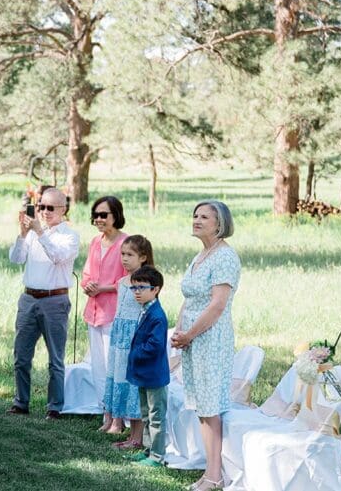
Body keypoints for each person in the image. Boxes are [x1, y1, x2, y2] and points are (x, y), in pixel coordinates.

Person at [170, 200, 241, 491]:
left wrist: (191, 334)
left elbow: (217, 305)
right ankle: (208, 471)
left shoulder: (225, 257)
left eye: (204, 217)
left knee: (210, 407)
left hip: (210, 338)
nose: (196, 220)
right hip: (192, 337)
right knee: (200, 405)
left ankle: (215, 475)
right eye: (195, 215)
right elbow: (190, 298)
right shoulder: (200, 255)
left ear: (219, 224)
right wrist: (179, 330)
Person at [7, 187, 80, 419]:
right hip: (29, 297)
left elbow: (58, 256)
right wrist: (22, 233)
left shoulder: (69, 236)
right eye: (41, 207)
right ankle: (21, 402)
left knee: (55, 358)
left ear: (63, 209)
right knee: (21, 355)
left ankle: (55, 406)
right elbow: (16, 258)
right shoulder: (31, 233)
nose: (45, 212)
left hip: (54, 299)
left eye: (50, 208)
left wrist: (39, 231)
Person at [80, 195, 127, 431]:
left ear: (115, 215)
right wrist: (88, 286)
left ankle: (118, 419)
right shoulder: (95, 243)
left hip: (115, 313)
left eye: (103, 215)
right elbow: (87, 274)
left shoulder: (127, 243)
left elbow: (133, 279)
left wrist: (105, 287)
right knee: (98, 367)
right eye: (95, 214)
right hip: (94, 312)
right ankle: (105, 415)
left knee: (114, 367)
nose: (98, 219)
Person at [105, 235, 153, 449]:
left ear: (142, 257)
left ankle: (137, 438)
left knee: (135, 386)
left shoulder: (144, 283)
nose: (124, 259)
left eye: (130, 255)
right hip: (119, 341)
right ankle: (131, 434)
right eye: (122, 254)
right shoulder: (122, 282)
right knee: (123, 382)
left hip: (135, 338)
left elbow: (149, 312)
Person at [125, 266, 170, 468]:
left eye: (142, 287)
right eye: (134, 288)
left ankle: (157, 456)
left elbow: (155, 345)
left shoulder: (157, 315)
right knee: (146, 414)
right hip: (143, 373)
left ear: (156, 289)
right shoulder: (145, 309)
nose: (137, 292)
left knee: (156, 416)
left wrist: (135, 353)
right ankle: (148, 449)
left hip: (154, 374)